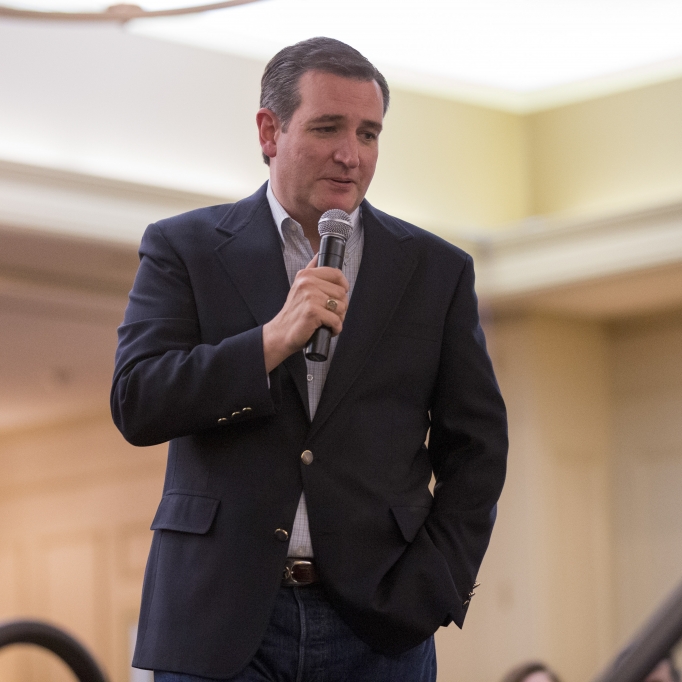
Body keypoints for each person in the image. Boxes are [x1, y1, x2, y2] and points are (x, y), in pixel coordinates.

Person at [112, 36, 509, 681]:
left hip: (380, 625)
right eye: (327, 128)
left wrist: (436, 580)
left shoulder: (435, 271)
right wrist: (271, 340)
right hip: (219, 619)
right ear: (269, 131)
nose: (351, 155)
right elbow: (137, 400)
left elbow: (479, 446)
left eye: (369, 133)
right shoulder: (183, 247)